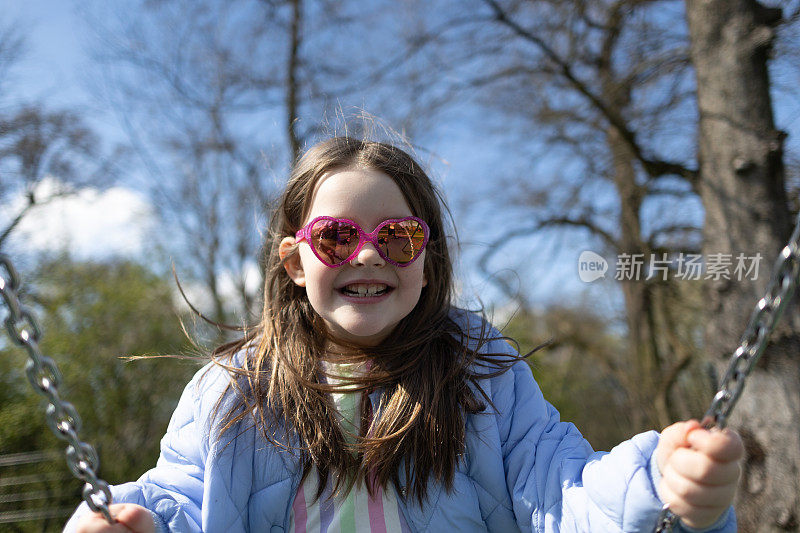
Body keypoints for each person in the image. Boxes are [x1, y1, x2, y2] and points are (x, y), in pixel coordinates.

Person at [66, 137, 742, 533]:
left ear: (427, 258)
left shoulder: (482, 376)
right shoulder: (235, 391)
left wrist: (657, 480)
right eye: (335, 236)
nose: (367, 255)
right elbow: (187, 497)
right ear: (295, 263)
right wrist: (133, 519)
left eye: (396, 235)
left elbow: (563, 489)